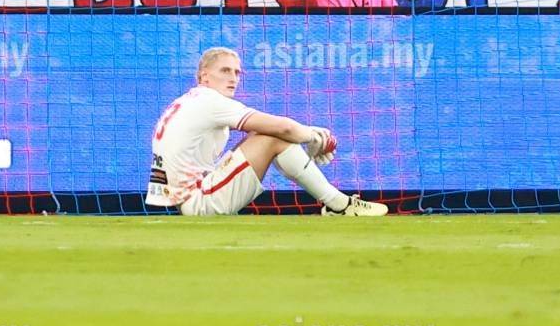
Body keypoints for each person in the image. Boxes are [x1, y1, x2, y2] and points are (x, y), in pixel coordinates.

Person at [147, 46, 387, 216]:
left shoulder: (190, 100)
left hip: (188, 196)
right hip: (198, 202)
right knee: (273, 137)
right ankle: (340, 205)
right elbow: (283, 128)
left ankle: (337, 204)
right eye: (225, 71)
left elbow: (276, 130)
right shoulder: (210, 101)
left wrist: (306, 133)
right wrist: (313, 137)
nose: (233, 78)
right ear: (204, 76)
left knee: (266, 136)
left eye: (237, 72)